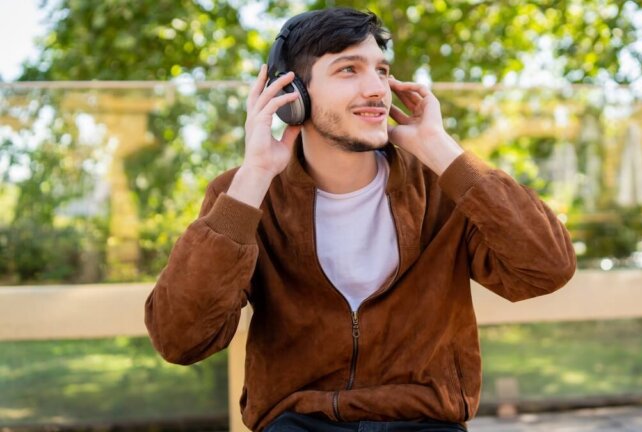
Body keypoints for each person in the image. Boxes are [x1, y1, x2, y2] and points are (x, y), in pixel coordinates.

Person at [145, 7, 576, 432]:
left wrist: (440, 148)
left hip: (424, 421)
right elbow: (180, 339)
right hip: (299, 422)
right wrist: (254, 176)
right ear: (293, 96)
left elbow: (546, 269)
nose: (377, 89)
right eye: (349, 70)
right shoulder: (244, 196)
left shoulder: (443, 186)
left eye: (382, 71)